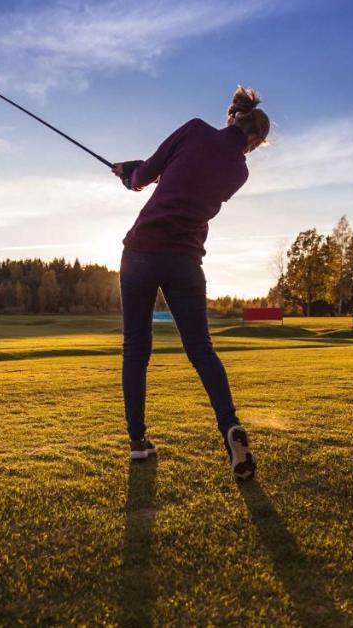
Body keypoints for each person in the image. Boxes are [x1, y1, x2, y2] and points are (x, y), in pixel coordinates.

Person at [111, 86, 270, 480]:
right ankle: (229, 425)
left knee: (136, 348)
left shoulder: (196, 129)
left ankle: (137, 442)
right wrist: (141, 172)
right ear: (253, 142)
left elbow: (148, 175)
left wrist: (131, 175)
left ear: (232, 114)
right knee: (201, 350)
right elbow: (189, 180)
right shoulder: (239, 172)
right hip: (185, 261)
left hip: (141, 252)